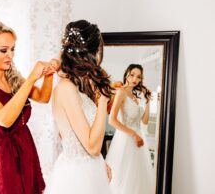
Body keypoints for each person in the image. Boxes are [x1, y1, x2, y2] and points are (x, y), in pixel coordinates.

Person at [0, 19, 58, 194]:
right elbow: (4, 119)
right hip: (4, 159)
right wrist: (32, 77)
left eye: (12, 49)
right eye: (4, 50)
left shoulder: (13, 78)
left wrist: (49, 74)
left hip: (26, 149)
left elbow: (43, 97)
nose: (10, 55)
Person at [44, 20, 113, 194]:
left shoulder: (77, 86)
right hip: (78, 177)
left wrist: (101, 164)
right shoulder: (66, 88)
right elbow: (92, 146)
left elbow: (82, 136)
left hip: (90, 169)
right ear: (92, 52)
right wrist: (103, 101)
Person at [106, 64, 155, 194]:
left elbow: (144, 121)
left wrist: (148, 102)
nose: (135, 79)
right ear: (126, 73)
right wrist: (133, 134)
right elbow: (112, 120)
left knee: (138, 179)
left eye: (138, 77)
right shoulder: (121, 92)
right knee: (123, 179)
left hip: (139, 140)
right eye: (132, 74)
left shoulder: (135, 96)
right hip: (126, 139)